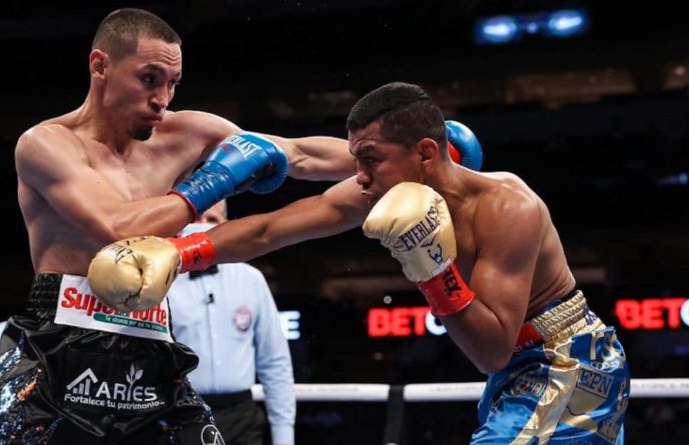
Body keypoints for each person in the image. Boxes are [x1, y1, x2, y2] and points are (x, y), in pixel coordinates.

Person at [97, 82, 630, 443]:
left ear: (425, 152)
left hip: (568, 360)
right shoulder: (377, 190)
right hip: (519, 367)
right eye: (356, 159)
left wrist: (431, 270)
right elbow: (271, 228)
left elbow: (490, 350)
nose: (361, 176)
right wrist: (179, 251)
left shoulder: (509, 207)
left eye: (370, 158)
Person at [0, 8, 356, 445]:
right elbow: (117, 229)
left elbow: (298, 155)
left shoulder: (186, 133)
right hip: (59, 342)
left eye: (172, 84)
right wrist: (211, 184)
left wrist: (413, 157)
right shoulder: (47, 145)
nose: (162, 99)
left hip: (148, 341)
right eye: (149, 79)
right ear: (100, 66)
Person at [169, 201, 295, 445]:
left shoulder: (251, 280)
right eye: (196, 218)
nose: (201, 228)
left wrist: (284, 435)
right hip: (180, 413)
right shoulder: (163, 282)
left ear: (226, 225)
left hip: (242, 417)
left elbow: (275, 363)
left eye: (212, 220)